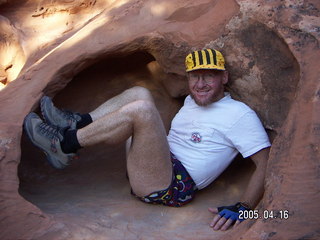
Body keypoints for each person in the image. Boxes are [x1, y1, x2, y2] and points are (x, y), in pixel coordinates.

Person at [24, 48, 271, 231]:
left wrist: (245, 206)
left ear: (224, 78)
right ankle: (76, 123)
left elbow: (265, 162)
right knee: (139, 93)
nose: (201, 83)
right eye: (195, 76)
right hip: (153, 164)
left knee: (142, 109)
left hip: (171, 187)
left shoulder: (239, 115)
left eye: (210, 76)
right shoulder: (191, 100)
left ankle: (63, 145)